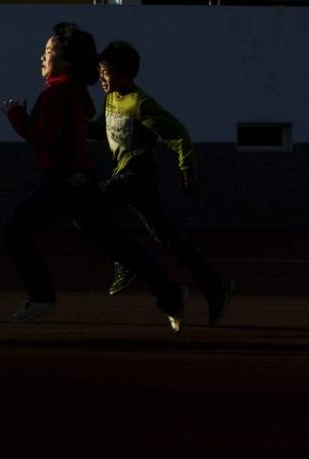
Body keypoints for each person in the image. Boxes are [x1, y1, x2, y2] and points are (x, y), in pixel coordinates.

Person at [0, 23, 188, 332]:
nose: (42, 56)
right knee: (117, 245)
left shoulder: (56, 94)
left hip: (61, 183)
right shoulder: (74, 92)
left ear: (67, 61)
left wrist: (16, 117)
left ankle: (41, 296)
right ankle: (169, 294)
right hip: (81, 181)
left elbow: (43, 138)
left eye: (49, 51)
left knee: (13, 232)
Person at [92, 41, 234, 326]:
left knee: (91, 201)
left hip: (137, 174)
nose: (102, 79)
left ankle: (125, 261)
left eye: (106, 73)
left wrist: (187, 171)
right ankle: (215, 286)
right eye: (100, 72)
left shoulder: (141, 103)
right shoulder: (110, 100)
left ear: (124, 74)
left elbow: (178, 133)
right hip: (125, 172)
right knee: (167, 238)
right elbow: (101, 128)